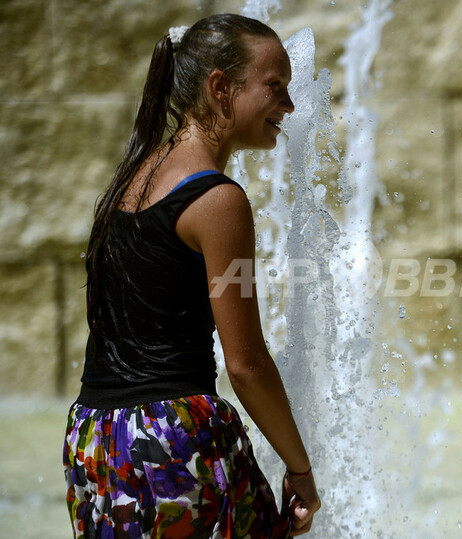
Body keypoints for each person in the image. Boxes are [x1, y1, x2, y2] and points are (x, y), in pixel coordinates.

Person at [63, 14, 321, 537]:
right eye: (275, 88)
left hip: (95, 440)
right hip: (173, 442)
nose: (289, 107)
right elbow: (246, 364)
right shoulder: (217, 200)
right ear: (220, 87)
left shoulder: (129, 181)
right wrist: (300, 469)